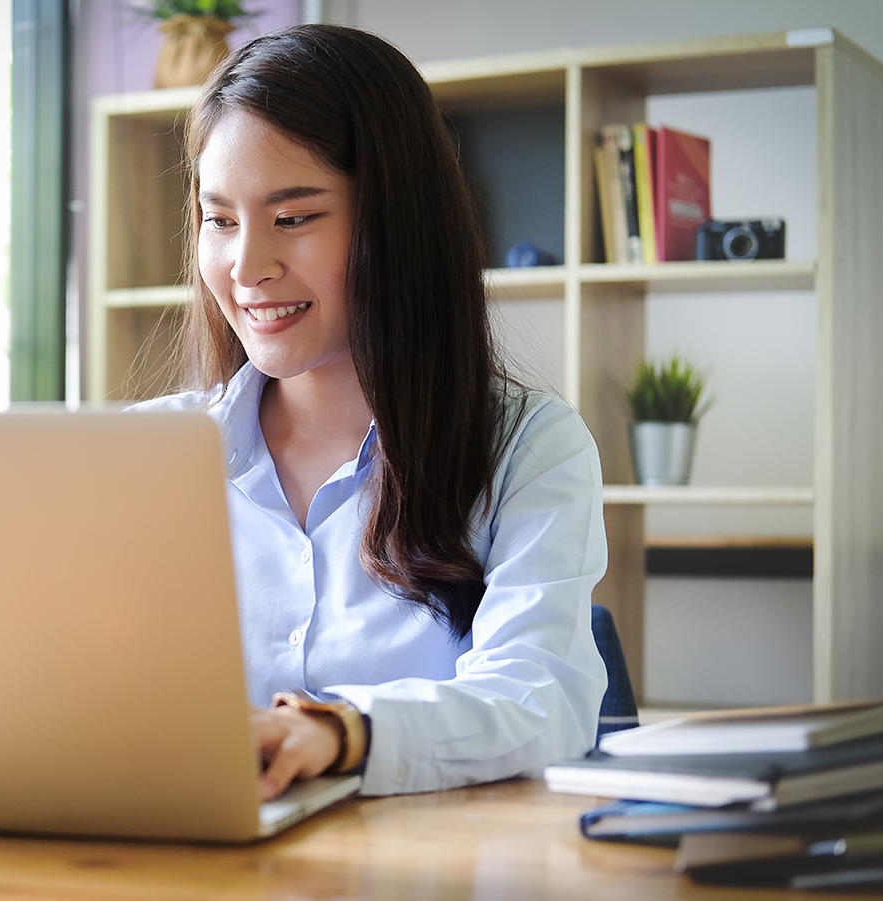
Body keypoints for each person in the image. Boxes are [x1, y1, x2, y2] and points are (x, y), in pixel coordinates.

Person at [130, 24, 608, 799]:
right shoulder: (143, 456)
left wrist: (341, 732)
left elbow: (539, 698)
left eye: (293, 218)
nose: (247, 268)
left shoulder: (528, 447)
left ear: (395, 223)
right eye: (220, 220)